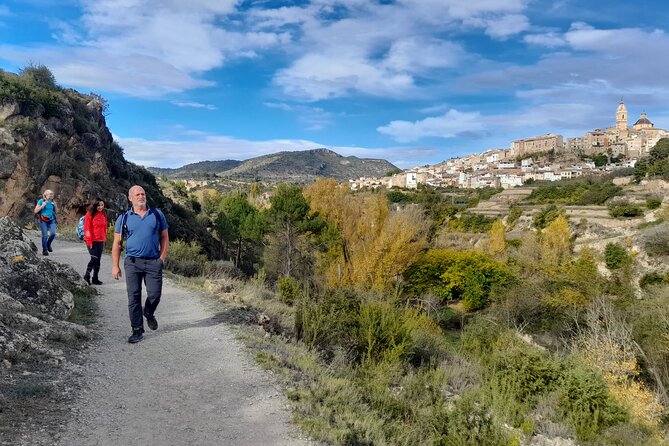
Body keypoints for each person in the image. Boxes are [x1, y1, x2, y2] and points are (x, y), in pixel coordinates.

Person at [112, 185, 169, 344]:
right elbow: (117, 243)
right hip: (132, 262)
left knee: (154, 295)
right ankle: (137, 330)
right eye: (137, 194)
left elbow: (164, 237)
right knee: (133, 297)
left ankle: (149, 313)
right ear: (130, 198)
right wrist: (115, 266)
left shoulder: (157, 214)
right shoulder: (123, 218)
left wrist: (161, 258)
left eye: (143, 193)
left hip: (153, 262)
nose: (141, 196)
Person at [83, 198, 108, 285]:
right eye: (98, 205)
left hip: (100, 240)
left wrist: (105, 238)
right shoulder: (89, 214)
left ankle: (95, 278)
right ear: (94, 205)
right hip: (91, 240)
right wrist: (89, 241)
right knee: (94, 258)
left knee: (98, 259)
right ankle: (87, 275)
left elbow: (104, 227)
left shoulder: (103, 214)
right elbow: (86, 228)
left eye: (102, 205)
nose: (100, 207)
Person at [34, 189, 57, 256]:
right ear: (45, 195)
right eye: (50, 195)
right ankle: (45, 250)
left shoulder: (53, 201)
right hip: (43, 220)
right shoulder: (41, 201)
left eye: (52, 195)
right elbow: (35, 211)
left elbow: (56, 211)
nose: (52, 196)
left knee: (53, 234)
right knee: (45, 235)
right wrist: (42, 206)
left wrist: (55, 206)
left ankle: (48, 244)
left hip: (51, 220)